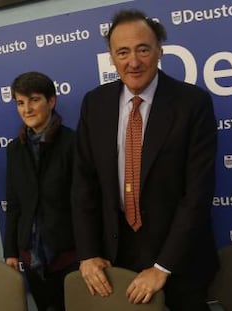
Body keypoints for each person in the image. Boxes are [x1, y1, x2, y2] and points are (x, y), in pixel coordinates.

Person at [72, 9, 218, 311]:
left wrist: (163, 267)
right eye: (122, 52)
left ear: (159, 51)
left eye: (143, 49)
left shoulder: (192, 103)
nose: (133, 62)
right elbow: (83, 184)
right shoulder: (94, 104)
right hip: (115, 258)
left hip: (180, 261)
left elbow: (197, 195)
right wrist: (87, 253)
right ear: (111, 57)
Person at [4, 71, 77, 311]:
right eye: (20, 103)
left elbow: (85, 203)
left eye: (34, 100)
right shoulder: (15, 149)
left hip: (68, 256)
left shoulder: (73, 143)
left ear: (51, 101)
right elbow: (14, 204)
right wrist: (11, 252)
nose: (27, 109)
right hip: (31, 258)